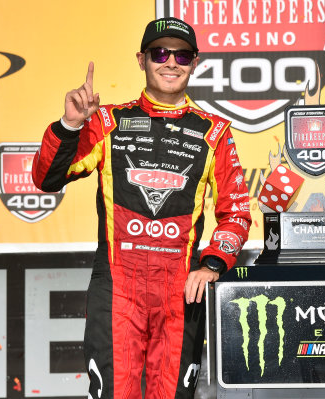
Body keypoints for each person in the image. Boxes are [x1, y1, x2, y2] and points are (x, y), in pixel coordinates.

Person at [32, 17, 252, 399]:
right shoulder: (107, 122)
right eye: (160, 53)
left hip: (181, 294)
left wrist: (213, 263)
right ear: (142, 60)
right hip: (118, 289)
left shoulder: (214, 132)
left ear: (195, 62)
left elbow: (237, 212)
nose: (171, 63)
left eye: (182, 55)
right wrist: (69, 124)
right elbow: (46, 178)